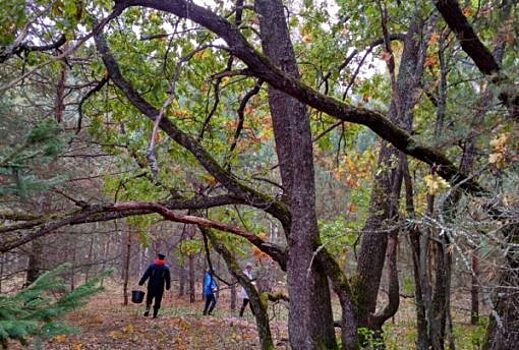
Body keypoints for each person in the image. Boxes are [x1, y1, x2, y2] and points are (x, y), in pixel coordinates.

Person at [138, 253, 171, 318]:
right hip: (160, 288)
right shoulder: (166, 268)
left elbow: (146, 275)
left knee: (149, 299)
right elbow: (168, 278)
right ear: (163, 259)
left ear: (158, 258)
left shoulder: (152, 266)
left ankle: (147, 311)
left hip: (151, 287)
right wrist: (168, 286)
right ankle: (155, 314)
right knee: (158, 301)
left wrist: (141, 282)